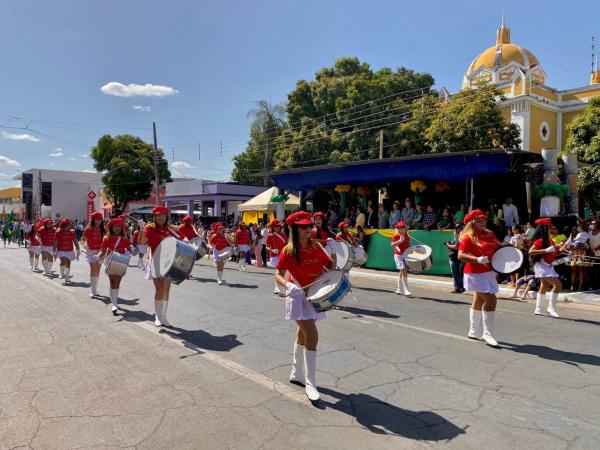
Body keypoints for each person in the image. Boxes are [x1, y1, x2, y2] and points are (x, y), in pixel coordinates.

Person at [275, 211, 335, 406]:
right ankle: (311, 383)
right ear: (294, 229)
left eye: (309, 226)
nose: (308, 229)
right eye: (303, 227)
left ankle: (296, 373)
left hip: (315, 296)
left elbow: (331, 267)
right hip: (298, 296)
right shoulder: (288, 251)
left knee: (302, 333)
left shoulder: (317, 245)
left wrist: (333, 251)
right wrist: (288, 285)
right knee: (312, 334)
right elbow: (278, 274)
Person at [458, 209, 500, 348]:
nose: (483, 223)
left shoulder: (489, 234)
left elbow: (499, 248)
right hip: (474, 273)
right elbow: (461, 255)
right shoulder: (467, 237)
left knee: (478, 300)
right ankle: (487, 334)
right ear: (472, 222)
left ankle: (473, 331)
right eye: (479, 221)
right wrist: (477, 259)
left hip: (489, 272)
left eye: (484, 220)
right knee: (491, 300)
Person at [137, 205, 181, 327]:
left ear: (166, 216)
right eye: (157, 215)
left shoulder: (171, 229)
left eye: (162, 215)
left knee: (166, 290)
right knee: (160, 289)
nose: (160, 217)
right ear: (154, 217)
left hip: (169, 262)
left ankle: (164, 317)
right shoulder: (150, 228)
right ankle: (158, 317)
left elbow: (182, 242)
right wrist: (141, 228)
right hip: (155, 261)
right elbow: (141, 242)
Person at [528, 218, 562, 318]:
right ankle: (551, 307)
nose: (550, 230)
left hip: (548, 265)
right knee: (558, 285)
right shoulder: (539, 241)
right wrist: (546, 250)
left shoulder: (549, 240)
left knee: (544, 287)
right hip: (541, 265)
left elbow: (554, 252)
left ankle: (538, 309)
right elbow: (531, 251)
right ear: (543, 229)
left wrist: (563, 249)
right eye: (548, 228)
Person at [98, 218, 132, 315]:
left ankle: (115, 302)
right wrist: (98, 256)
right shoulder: (107, 238)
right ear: (111, 227)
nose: (117, 228)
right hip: (111, 261)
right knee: (113, 282)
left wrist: (133, 249)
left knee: (117, 282)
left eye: (119, 226)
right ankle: (114, 304)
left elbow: (129, 248)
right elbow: (103, 251)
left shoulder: (124, 238)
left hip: (121, 261)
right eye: (115, 226)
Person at [81, 212, 105, 298]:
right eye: (96, 219)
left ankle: (95, 289)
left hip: (101, 252)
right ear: (93, 220)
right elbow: (82, 239)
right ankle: (92, 290)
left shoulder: (103, 229)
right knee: (93, 269)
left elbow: (106, 240)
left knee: (97, 271)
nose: (98, 221)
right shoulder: (88, 229)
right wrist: (84, 244)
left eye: (100, 220)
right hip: (91, 251)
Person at [53, 219, 80, 285]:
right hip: (61, 250)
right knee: (63, 261)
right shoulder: (58, 232)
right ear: (63, 226)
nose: (70, 226)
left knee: (68, 263)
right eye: (68, 225)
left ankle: (67, 277)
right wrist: (54, 251)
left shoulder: (72, 232)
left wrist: (78, 249)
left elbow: (75, 241)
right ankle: (62, 273)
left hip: (69, 250)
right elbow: (55, 243)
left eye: (70, 225)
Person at [266, 219, 288, 295]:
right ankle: (277, 288)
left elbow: (286, 244)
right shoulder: (270, 235)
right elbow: (266, 246)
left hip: (282, 254)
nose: (278, 227)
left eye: (279, 226)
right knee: (279, 271)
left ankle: (278, 288)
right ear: (272, 227)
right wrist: (272, 250)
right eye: (276, 226)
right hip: (274, 255)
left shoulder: (283, 234)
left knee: (282, 272)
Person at [391, 221, 412, 296]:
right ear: (398, 229)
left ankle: (399, 289)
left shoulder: (407, 236)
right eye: (401, 228)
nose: (403, 229)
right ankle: (406, 290)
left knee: (401, 272)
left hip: (405, 255)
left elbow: (408, 245)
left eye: (404, 227)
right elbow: (392, 245)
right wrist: (399, 241)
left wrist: (412, 248)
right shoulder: (396, 236)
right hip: (398, 255)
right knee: (404, 270)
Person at [445, 224, 464, 293]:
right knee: (459, 273)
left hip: (455, 258)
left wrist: (448, 245)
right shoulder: (459, 237)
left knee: (456, 273)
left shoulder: (461, 237)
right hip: (457, 257)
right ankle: (460, 287)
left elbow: (456, 247)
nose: (456, 230)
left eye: (458, 228)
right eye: (456, 228)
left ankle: (457, 288)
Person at [589, 221, 600, 289]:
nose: (591, 225)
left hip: (599, 254)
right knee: (592, 270)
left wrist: (594, 250)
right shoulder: (589, 233)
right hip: (591, 255)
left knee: (598, 270)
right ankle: (593, 285)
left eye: (593, 224)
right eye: (591, 224)